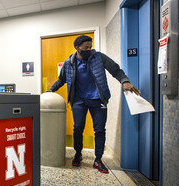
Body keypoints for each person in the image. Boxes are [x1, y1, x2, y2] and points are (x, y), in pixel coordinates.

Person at [48, 35, 140, 173]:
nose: (89, 49)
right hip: (78, 100)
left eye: (90, 47)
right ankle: (78, 154)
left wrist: (124, 81)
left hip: (98, 99)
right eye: (85, 48)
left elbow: (116, 70)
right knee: (78, 127)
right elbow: (61, 80)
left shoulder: (99, 57)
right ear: (77, 48)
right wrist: (50, 90)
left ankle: (98, 159)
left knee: (99, 129)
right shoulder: (69, 62)